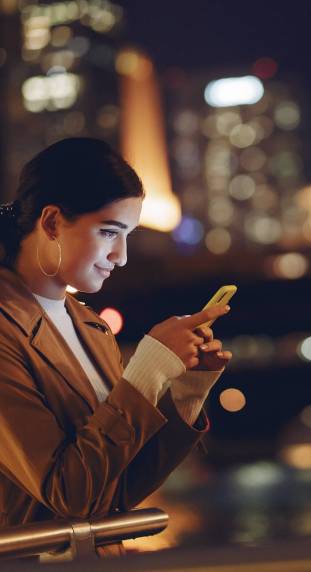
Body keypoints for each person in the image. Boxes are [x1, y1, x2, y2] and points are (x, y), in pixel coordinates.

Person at [0, 138, 232, 559]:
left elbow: (114, 489)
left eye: (126, 235)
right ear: (51, 222)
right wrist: (147, 369)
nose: (121, 256)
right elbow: (68, 494)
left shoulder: (91, 329)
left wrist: (185, 394)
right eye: (109, 232)